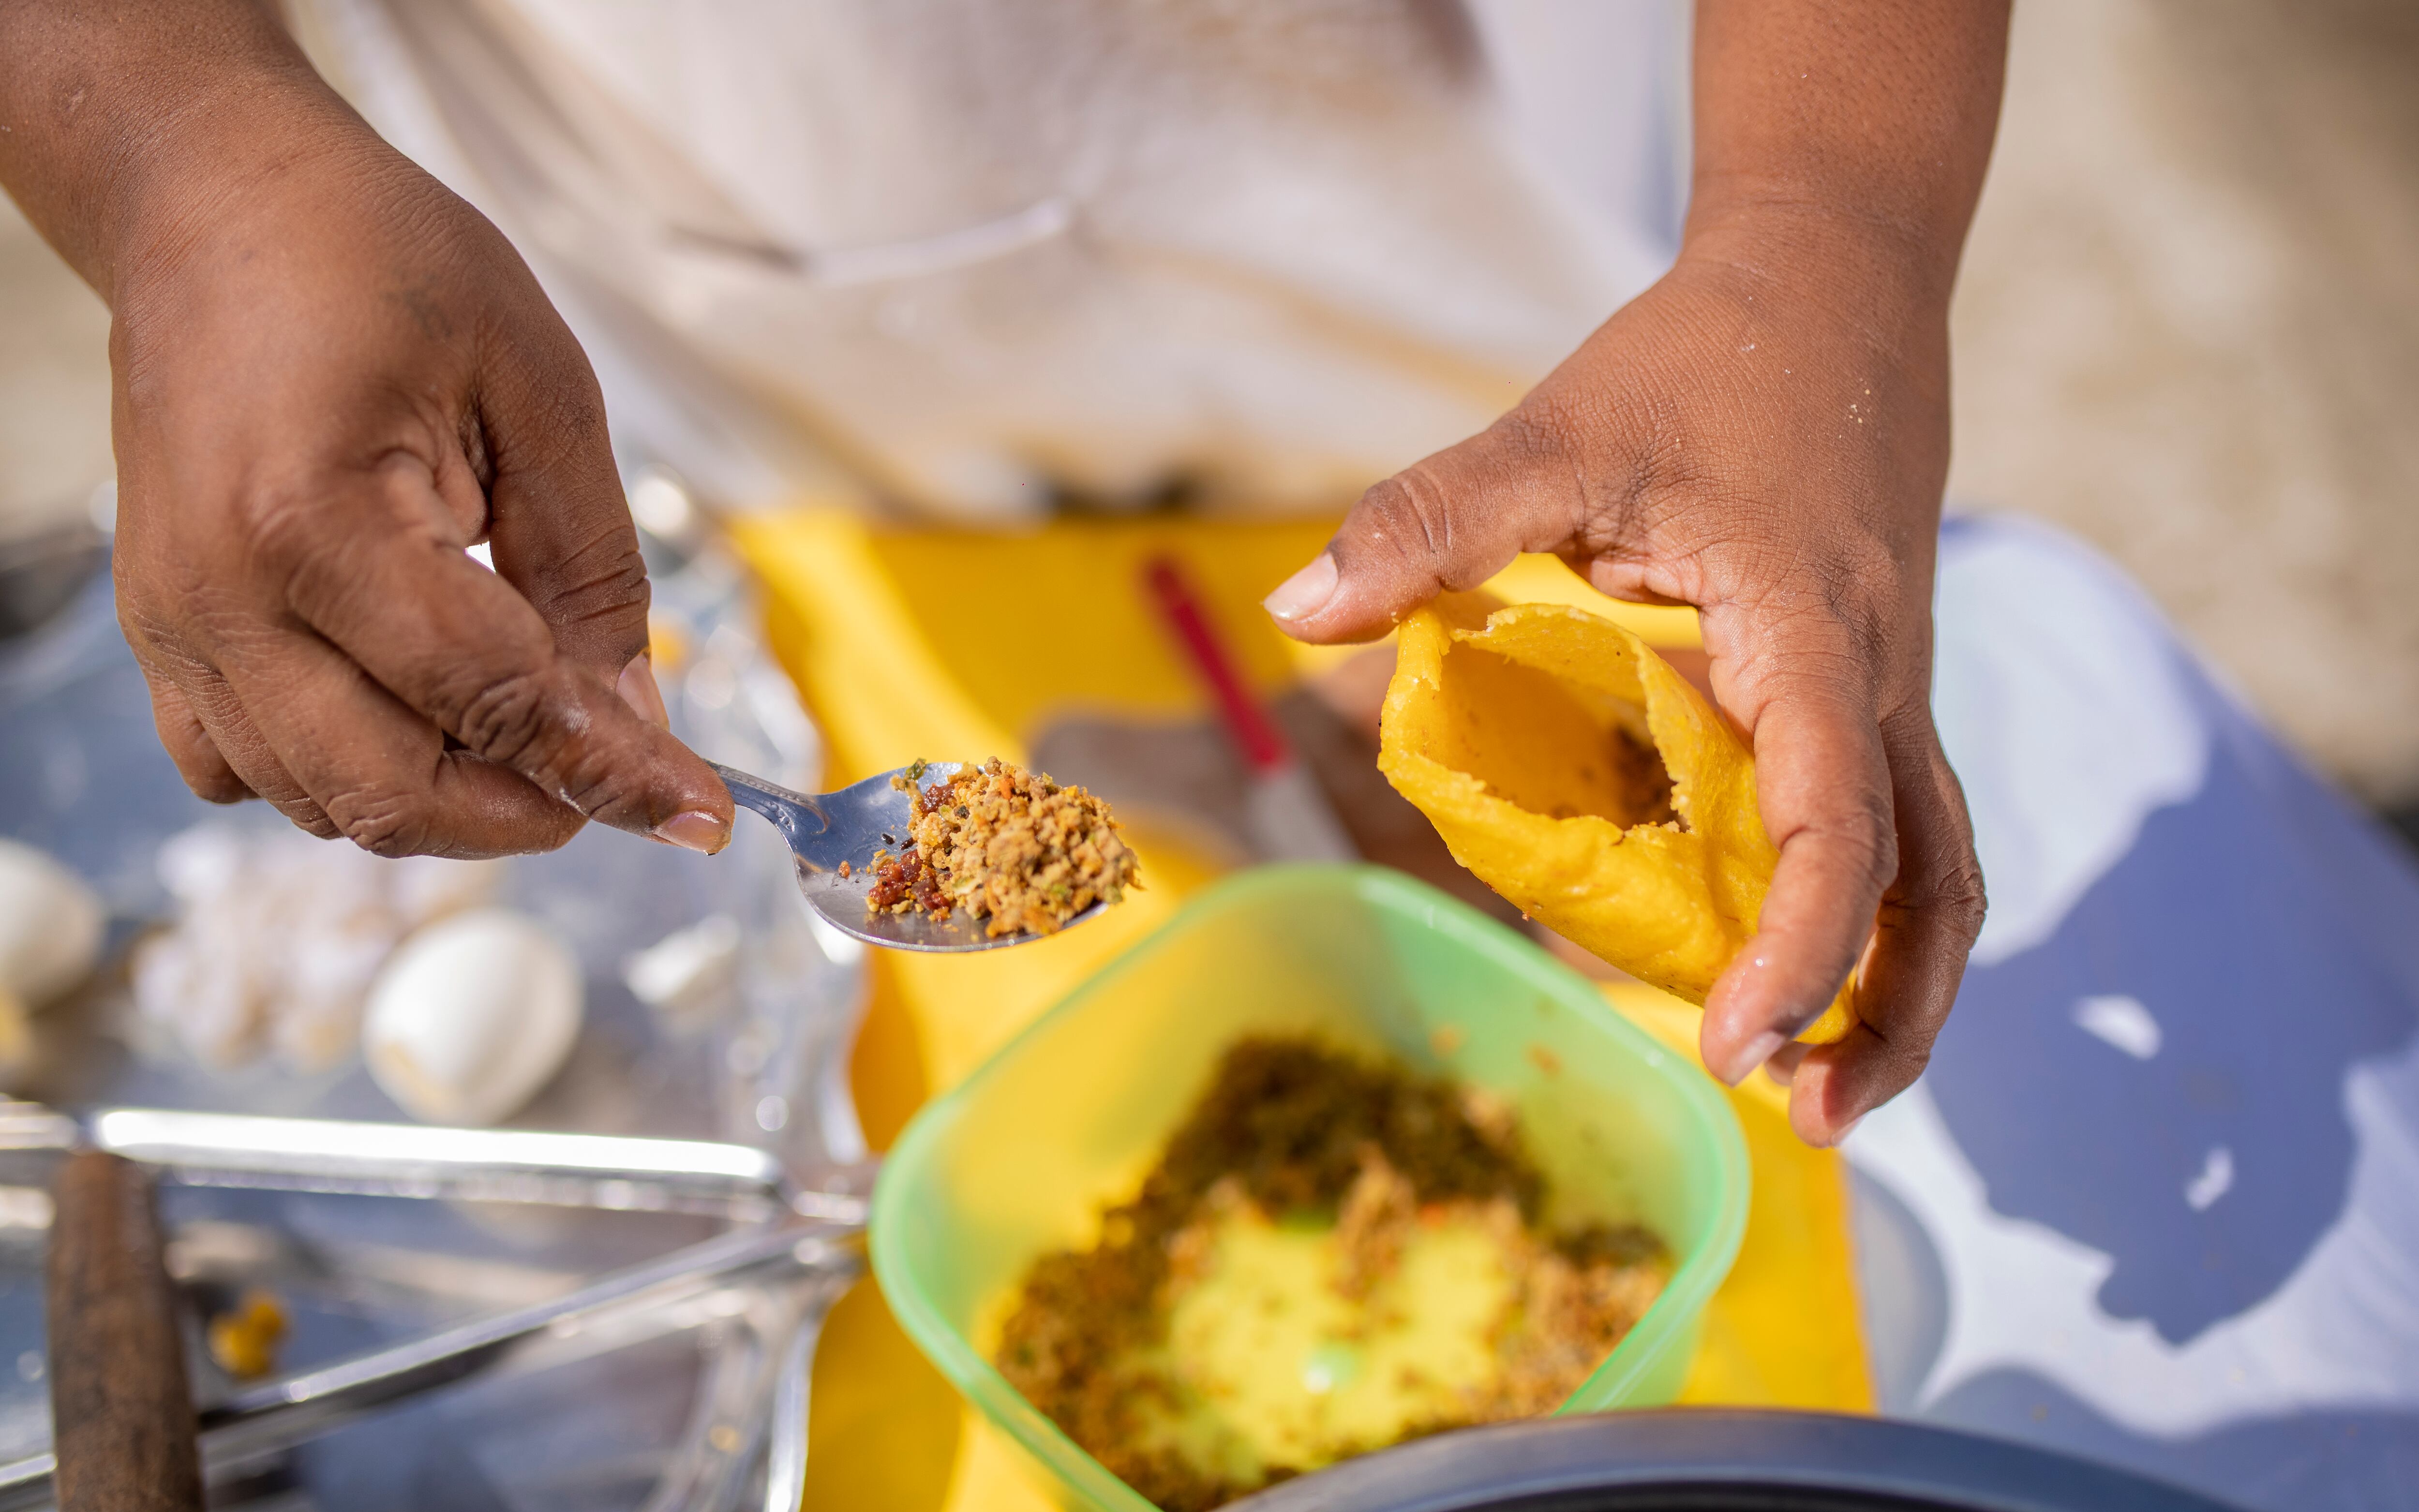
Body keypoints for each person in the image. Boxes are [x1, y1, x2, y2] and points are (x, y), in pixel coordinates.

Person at [0, 0, 2003, 1145]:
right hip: (710, 227)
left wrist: (1820, 235)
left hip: (1478, 249)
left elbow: (1802, 249)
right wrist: (175, 148)